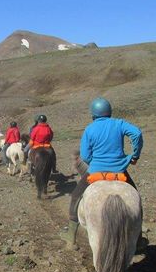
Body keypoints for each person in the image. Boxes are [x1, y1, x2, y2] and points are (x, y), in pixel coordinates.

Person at [60, 97, 143, 246]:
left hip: (95, 172)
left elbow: (85, 156)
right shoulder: (119, 124)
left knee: (75, 196)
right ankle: (139, 236)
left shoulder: (89, 129)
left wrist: (95, 161)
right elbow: (136, 133)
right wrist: (134, 155)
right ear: (109, 112)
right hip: (120, 172)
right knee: (136, 197)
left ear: (94, 114)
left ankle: (71, 235)